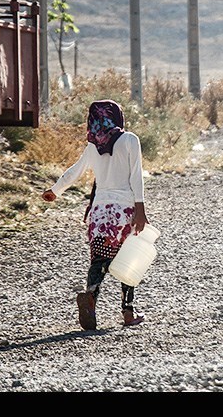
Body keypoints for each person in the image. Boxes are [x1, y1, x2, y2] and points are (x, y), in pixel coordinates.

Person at [42, 99, 149, 330]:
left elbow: (75, 172)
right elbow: (136, 177)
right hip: (124, 210)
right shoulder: (130, 140)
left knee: (99, 259)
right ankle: (128, 312)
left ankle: (90, 297)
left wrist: (55, 190)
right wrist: (140, 210)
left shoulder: (93, 145)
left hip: (99, 212)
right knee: (127, 260)